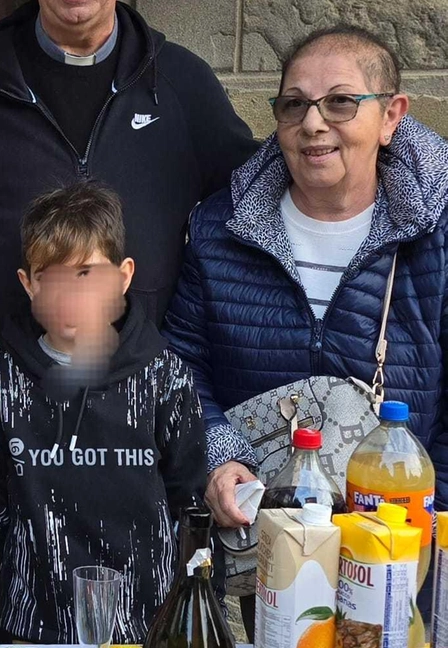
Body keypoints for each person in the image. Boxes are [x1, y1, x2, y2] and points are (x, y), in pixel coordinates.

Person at [0, 0, 256, 639]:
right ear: (29, 283)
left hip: (141, 552)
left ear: (120, 278)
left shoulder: (180, 84)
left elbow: (256, 201)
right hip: (2, 424)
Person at [163, 26, 448, 527]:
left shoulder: (437, 238)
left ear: (390, 116)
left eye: (340, 102)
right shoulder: (219, 229)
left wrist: (431, 527)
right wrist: (220, 459)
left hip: (398, 541)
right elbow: (181, 365)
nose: (313, 123)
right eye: (294, 105)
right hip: (254, 532)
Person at [0, 183, 208, 643]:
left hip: (146, 627)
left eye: (87, 275)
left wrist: (196, 599)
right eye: (52, 278)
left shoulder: (163, 378)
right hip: (33, 627)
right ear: (28, 284)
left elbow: (188, 502)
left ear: (124, 277)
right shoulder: (0, 382)